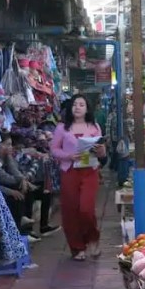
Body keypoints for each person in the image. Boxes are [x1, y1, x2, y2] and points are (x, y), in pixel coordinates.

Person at [51, 94, 106, 260]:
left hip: (90, 171)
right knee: (71, 211)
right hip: (70, 172)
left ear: (87, 108)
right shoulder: (62, 128)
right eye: (75, 104)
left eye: (81, 104)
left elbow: (102, 150)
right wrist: (69, 156)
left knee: (86, 209)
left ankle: (93, 239)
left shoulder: (94, 126)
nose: (77, 107)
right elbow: (54, 149)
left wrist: (100, 150)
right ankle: (77, 248)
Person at [0, 131, 37, 241]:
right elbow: (4, 179)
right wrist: (16, 185)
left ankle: (25, 228)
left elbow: (15, 171)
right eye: (7, 144)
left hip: (6, 185)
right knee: (15, 194)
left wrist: (23, 179)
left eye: (10, 144)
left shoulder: (7, 157)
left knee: (26, 189)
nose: (10, 147)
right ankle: (18, 230)